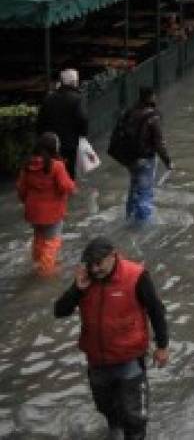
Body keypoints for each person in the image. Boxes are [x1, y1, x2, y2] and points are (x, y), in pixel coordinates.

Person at [54, 237, 170, 440]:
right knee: (108, 411)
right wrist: (77, 289)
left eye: (99, 263)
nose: (95, 269)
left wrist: (162, 346)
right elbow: (59, 311)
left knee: (135, 419)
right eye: (90, 265)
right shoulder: (85, 281)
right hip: (97, 361)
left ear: (113, 256)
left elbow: (156, 311)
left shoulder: (136, 276)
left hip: (129, 359)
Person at [17, 132, 77, 276]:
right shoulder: (56, 166)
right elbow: (65, 186)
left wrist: (27, 202)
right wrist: (73, 186)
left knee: (39, 237)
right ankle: (46, 273)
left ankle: (38, 262)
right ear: (54, 148)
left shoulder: (28, 164)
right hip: (52, 213)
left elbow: (21, 188)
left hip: (33, 211)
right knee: (52, 242)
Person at [123, 87, 172, 225]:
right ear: (151, 97)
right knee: (145, 192)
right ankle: (143, 228)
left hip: (130, 158)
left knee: (133, 189)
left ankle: (129, 218)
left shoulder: (131, 112)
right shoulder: (153, 117)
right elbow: (159, 143)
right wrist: (167, 161)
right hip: (145, 159)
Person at [36, 69, 89, 180]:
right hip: (69, 142)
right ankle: (66, 190)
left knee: (51, 167)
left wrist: (42, 136)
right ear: (75, 82)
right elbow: (82, 118)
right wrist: (83, 134)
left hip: (50, 141)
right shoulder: (77, 99)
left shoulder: (49, 98)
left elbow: (40, 120)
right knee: (68, 169)